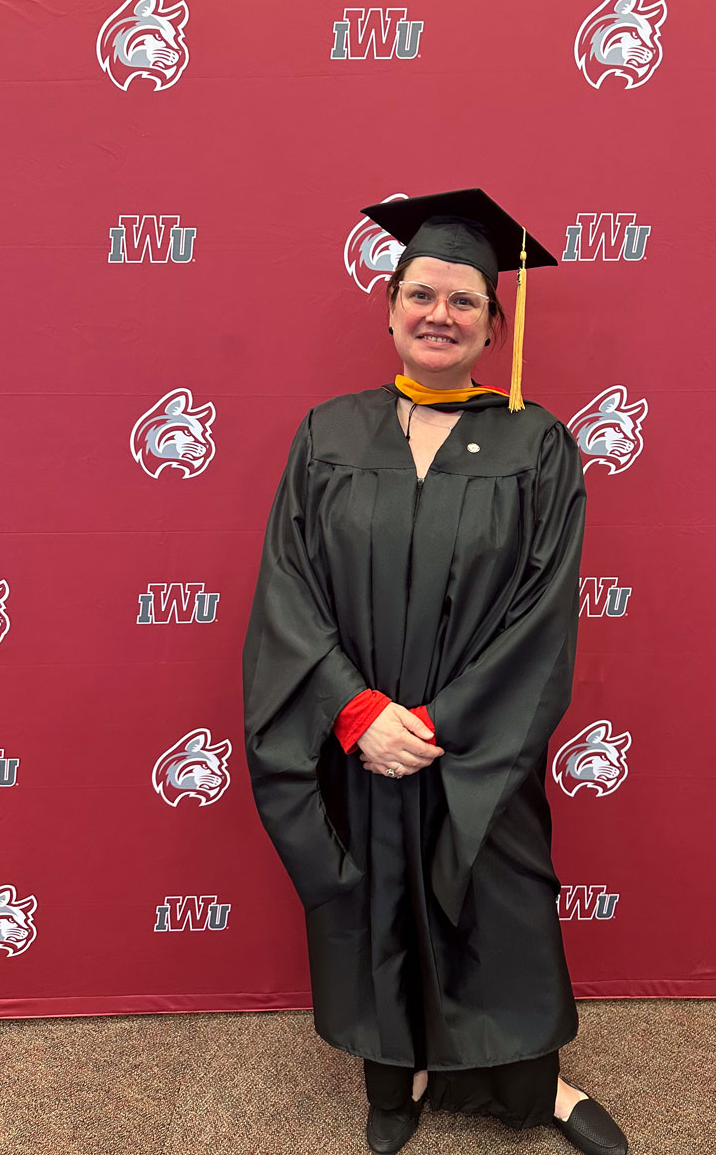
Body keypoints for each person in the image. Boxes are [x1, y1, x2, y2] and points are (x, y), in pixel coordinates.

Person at [242, 189, 628, 1155]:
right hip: (361, 739)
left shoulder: (534, 443)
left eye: (465, 300)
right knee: (376, 898)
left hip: (472, 745)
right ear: (389, 306)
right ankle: (396, 1072)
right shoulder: (328, 435)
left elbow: (544, 615)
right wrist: (358, 713)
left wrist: (443, 724)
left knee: (497, 901)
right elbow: (288, 593)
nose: (440, 314)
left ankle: (534, 1086)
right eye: (422, 294)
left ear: (496, 324)